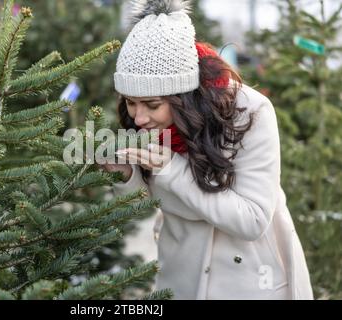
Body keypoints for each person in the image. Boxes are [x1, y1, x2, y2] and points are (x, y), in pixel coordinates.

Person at [101, 0, 313, 300]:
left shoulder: (250, 113)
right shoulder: (146, 122)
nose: (138, 117)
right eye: (130, 101)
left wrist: (171, 168)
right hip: (181, 276)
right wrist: (126, 178)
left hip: (249, 283)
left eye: (151, 105)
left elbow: (252, 220)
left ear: (184, 96)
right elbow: (145, 206)